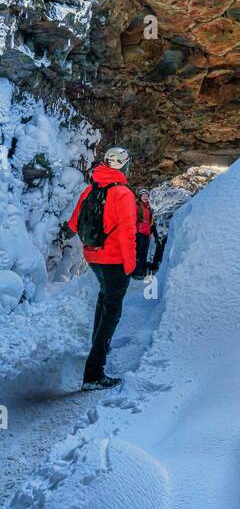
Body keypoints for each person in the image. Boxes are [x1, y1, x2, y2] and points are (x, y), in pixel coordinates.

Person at [66, 145, 137, 389]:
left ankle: (95, 354)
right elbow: (128, 233)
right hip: (115, 261)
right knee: (112, 313)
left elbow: (73, 224)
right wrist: (131, 266)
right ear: (125, 166)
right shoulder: (123, 194)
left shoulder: (90, 189)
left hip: (94, 258)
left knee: (104, 300)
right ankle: (94, 373)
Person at [133, 189, 160, 278]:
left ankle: (142, 271)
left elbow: (151, 222)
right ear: (140, 197)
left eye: (146, 196)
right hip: (138, 233)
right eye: (143, 196)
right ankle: (136, 272)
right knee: (138, 252)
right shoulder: (136, 206)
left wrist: (155, 236)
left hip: (146, 233)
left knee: (144, 252)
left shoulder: (148, 208)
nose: (145, 197)